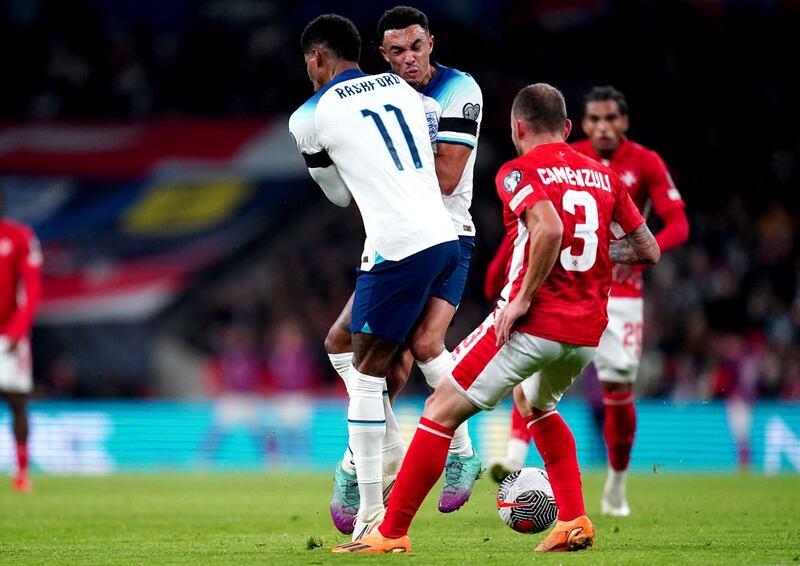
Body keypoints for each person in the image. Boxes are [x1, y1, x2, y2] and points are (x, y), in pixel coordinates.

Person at [333, 83, 660, 554]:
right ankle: (573, 520)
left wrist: (524, 297)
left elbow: (548, 227)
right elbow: (647, 249)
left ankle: (390, 532)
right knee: (536, 406)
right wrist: (589, 256)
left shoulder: (516, 171)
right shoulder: (606, 178)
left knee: (439, 410)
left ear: (517, 128)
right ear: (568, 129)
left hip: (533, 325)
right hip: (587, 332)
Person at [288, 14, 460, 540]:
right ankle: (389, 451)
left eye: (308, 64)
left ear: (317, 57)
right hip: (444, 236)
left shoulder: (309, 115)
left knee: (365, 374)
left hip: (398, 246)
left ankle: (372, 516)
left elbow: (338, 195)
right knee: (342, 345)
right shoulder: (409, 92)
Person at [491, 86, 689, 517]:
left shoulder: (644, 163)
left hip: (622, 295)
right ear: (576, 125)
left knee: (616, 388)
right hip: (566, 291)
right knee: (532, 381)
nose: (602, 127)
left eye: (610, 119)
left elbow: (676, 226)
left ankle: (616, 485)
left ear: (624, 122)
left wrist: (615, 254)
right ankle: (512, 455)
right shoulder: (569, 159)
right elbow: (530, 231)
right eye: (594, 119)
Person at [324, 5, 484, 533]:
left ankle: (429, 455)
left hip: (448, 234)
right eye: (396, 51)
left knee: (420, 345)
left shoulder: (459, 90)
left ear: (431, 43)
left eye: (416, 46)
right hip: (398, 241)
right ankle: (377, 459)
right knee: (375, 363)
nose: (408, 58)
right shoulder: (383, 95)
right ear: (381, 55)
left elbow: (445, 177)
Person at [0, 189, 43, 492]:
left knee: (16, 403)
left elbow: (31, 288)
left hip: (9, 336)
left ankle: (22, 472)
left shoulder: (19, 236)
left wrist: (17, 331)